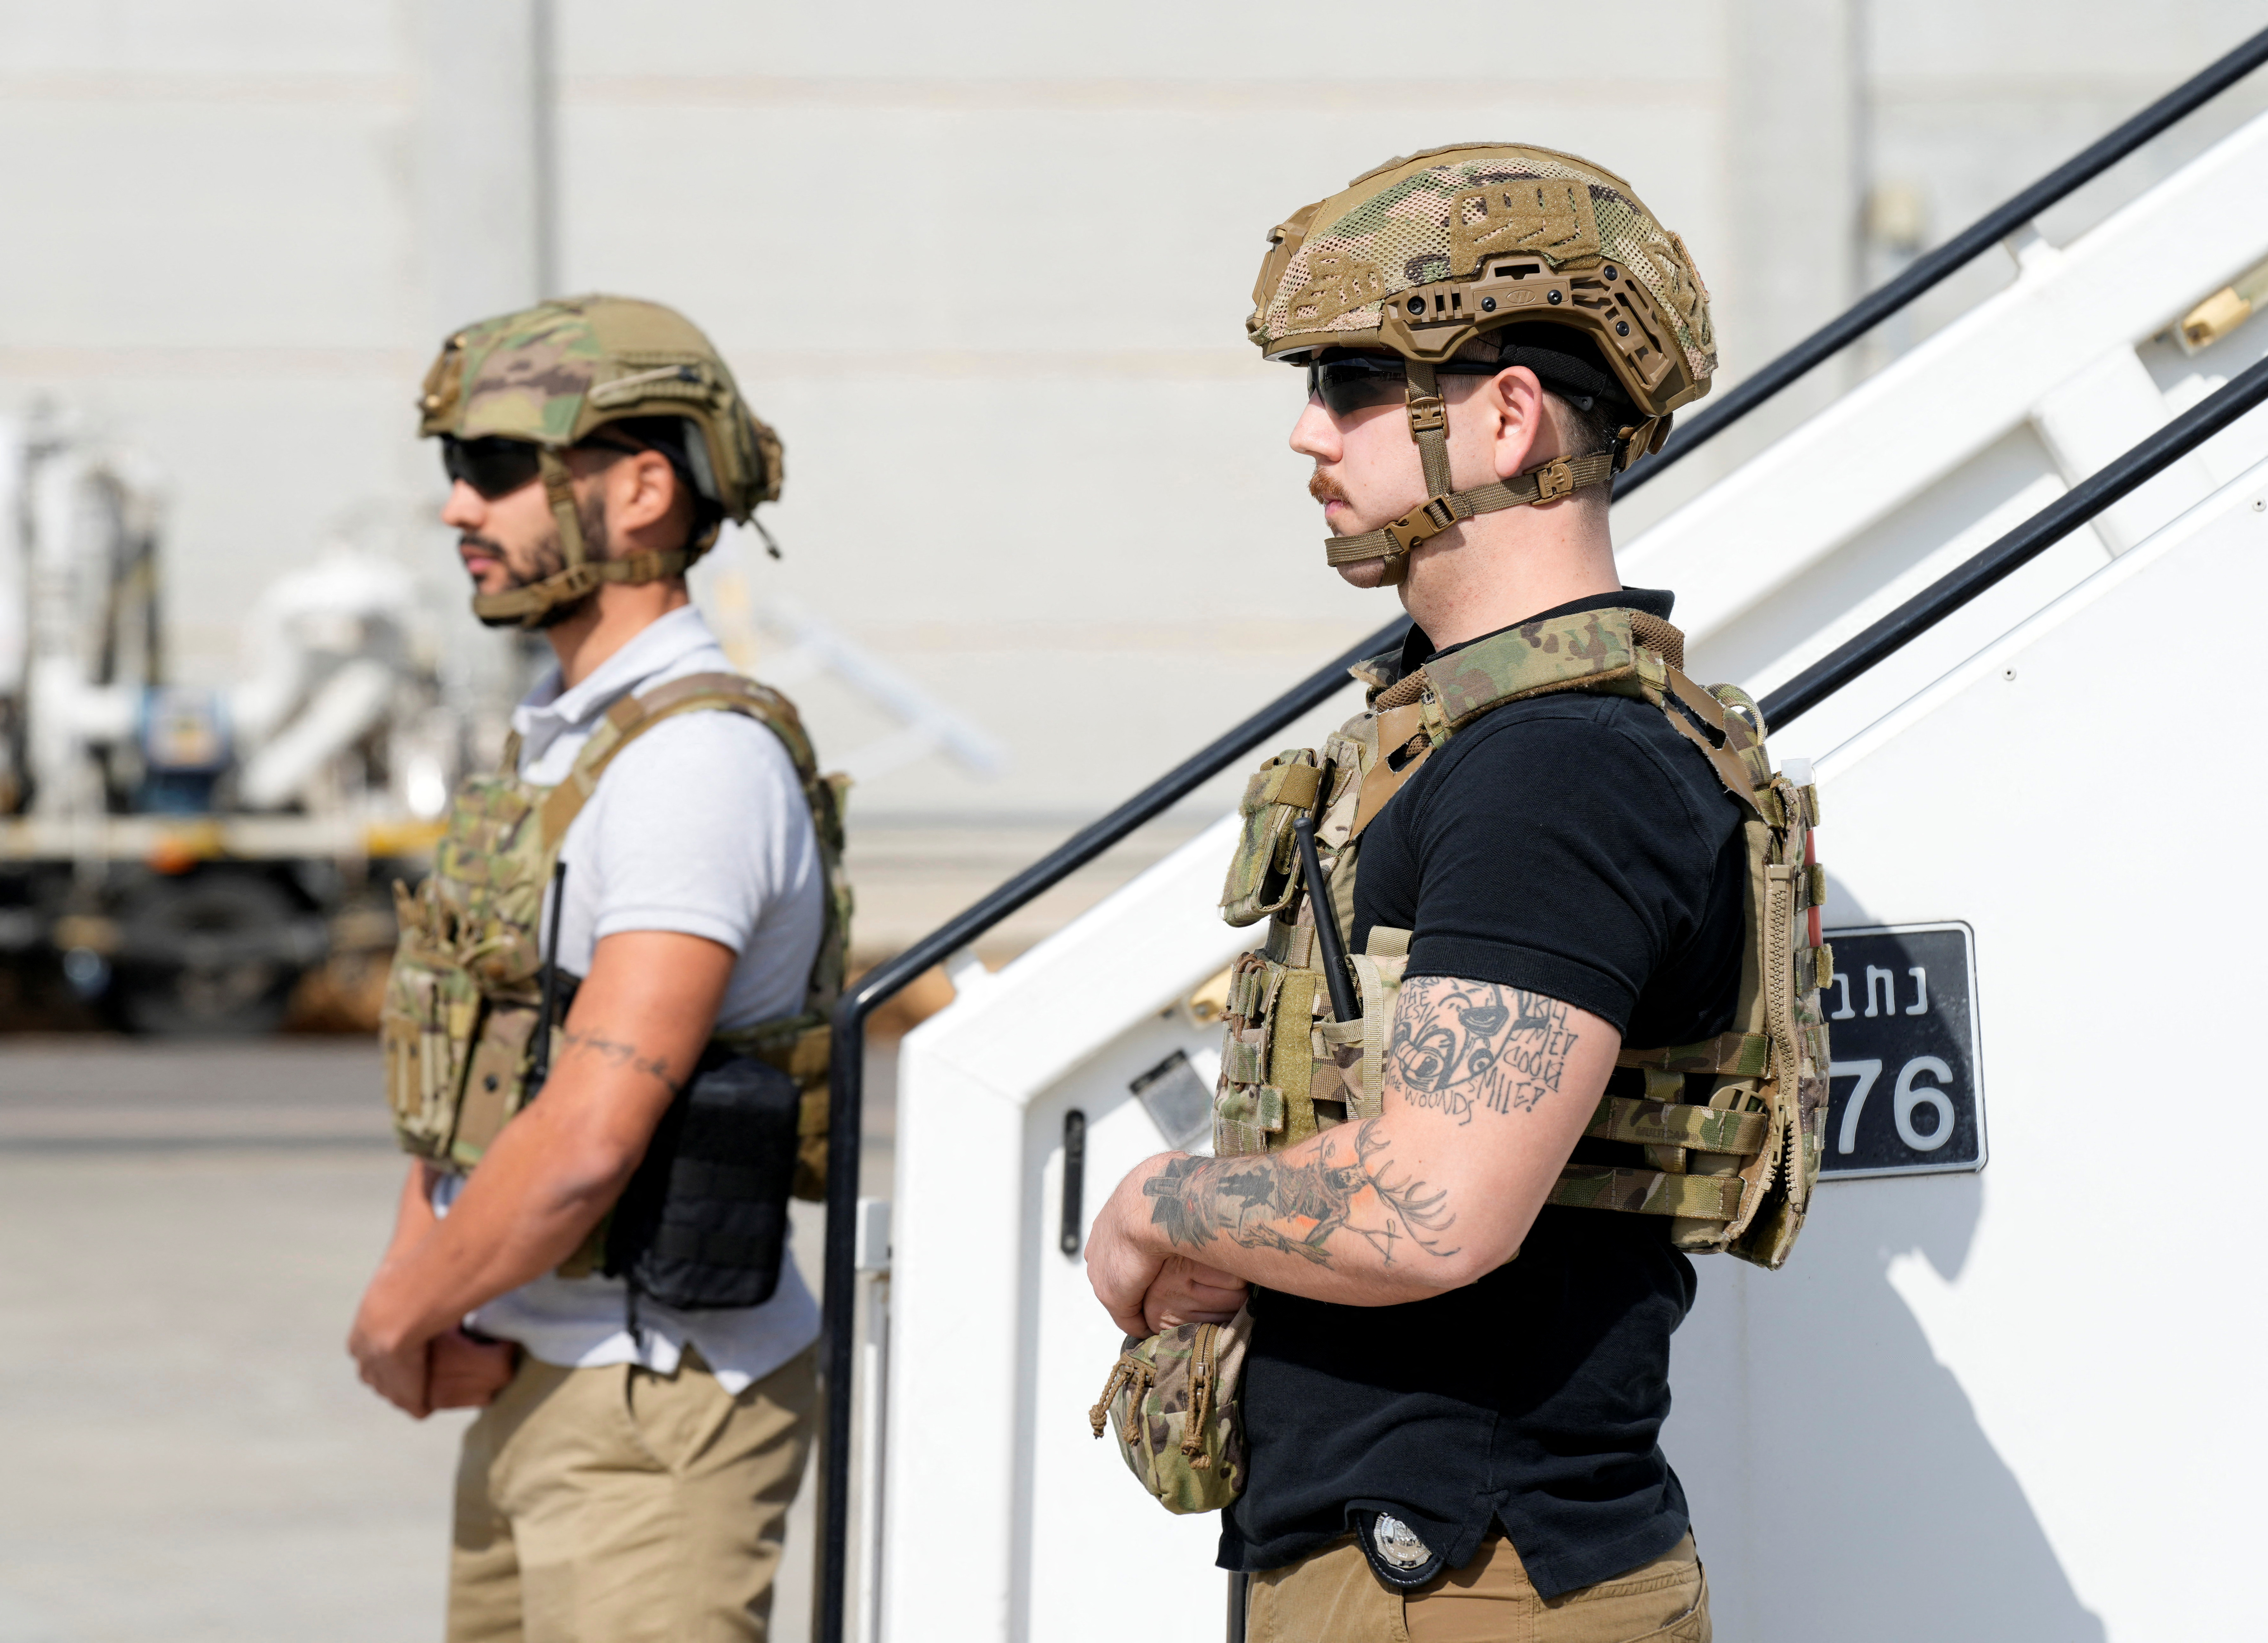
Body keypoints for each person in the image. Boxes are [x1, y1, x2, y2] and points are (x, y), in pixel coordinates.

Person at [1085, 146, 1830, 1640]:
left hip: (1464, 1580)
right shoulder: (1484, 738)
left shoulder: (1559, 767)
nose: (1310, 430)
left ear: (1505, 417)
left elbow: (1432, 1206)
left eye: (1356, 383)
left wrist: (1160, 1200)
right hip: (1420, 1567)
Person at [348, 294, 850, 1643]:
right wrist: (443, 1272)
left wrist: (399, 1311)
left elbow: (588, 1130)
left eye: (499, 466)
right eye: (455, 466)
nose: (459, 504)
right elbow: (473, 1049)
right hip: (535, 1364)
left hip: (652, 1406)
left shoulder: (693, 762)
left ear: (640, 487)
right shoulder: (571, 738)